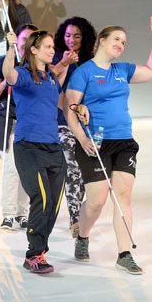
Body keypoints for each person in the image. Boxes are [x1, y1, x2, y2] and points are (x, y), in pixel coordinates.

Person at [65, 16, 152, 275]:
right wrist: (82, 138)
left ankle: (124, 254)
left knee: (123, 196)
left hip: (123, 141)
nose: (121, 44)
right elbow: (70, 109)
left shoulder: (123, 70)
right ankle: (83, 235)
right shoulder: (83, 71)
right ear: (102, 41)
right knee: (96, 200)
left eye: (124, 41)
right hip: (94, 142)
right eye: (116, 39)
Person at [3, 29, 66, 274]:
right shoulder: (24, 74)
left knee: (54, 203)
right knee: (42, 199)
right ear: (33, 50)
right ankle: (33, 255)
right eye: (48, 47)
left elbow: (54, 102)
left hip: (53, 146)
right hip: (29, 146)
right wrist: (10, 49)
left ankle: (40, 250)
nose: (52, 50)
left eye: (53, 47)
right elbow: (8, 74)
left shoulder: (51, 76)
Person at [0, 24, 37, 230]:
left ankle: (22, 213)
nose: (26, 43)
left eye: (32, 39)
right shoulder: (3, 63)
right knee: (12, 168)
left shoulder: (37, 66)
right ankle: (8, 213)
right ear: (16, 39)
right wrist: (9, 79)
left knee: (27, 169)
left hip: (31, 122)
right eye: (24, 38)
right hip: (11, 121)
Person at [50, 16, 97, 237]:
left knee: (89, 173)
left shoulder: (92, 61)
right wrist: (65, 64)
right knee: (72, 171)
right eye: (68, 35)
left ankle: (85, 212)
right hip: (64, 122)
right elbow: (53, 88)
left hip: (90, 125)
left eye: (76, 36)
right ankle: (75, 218)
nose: (71, 40)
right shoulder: (57, 59)